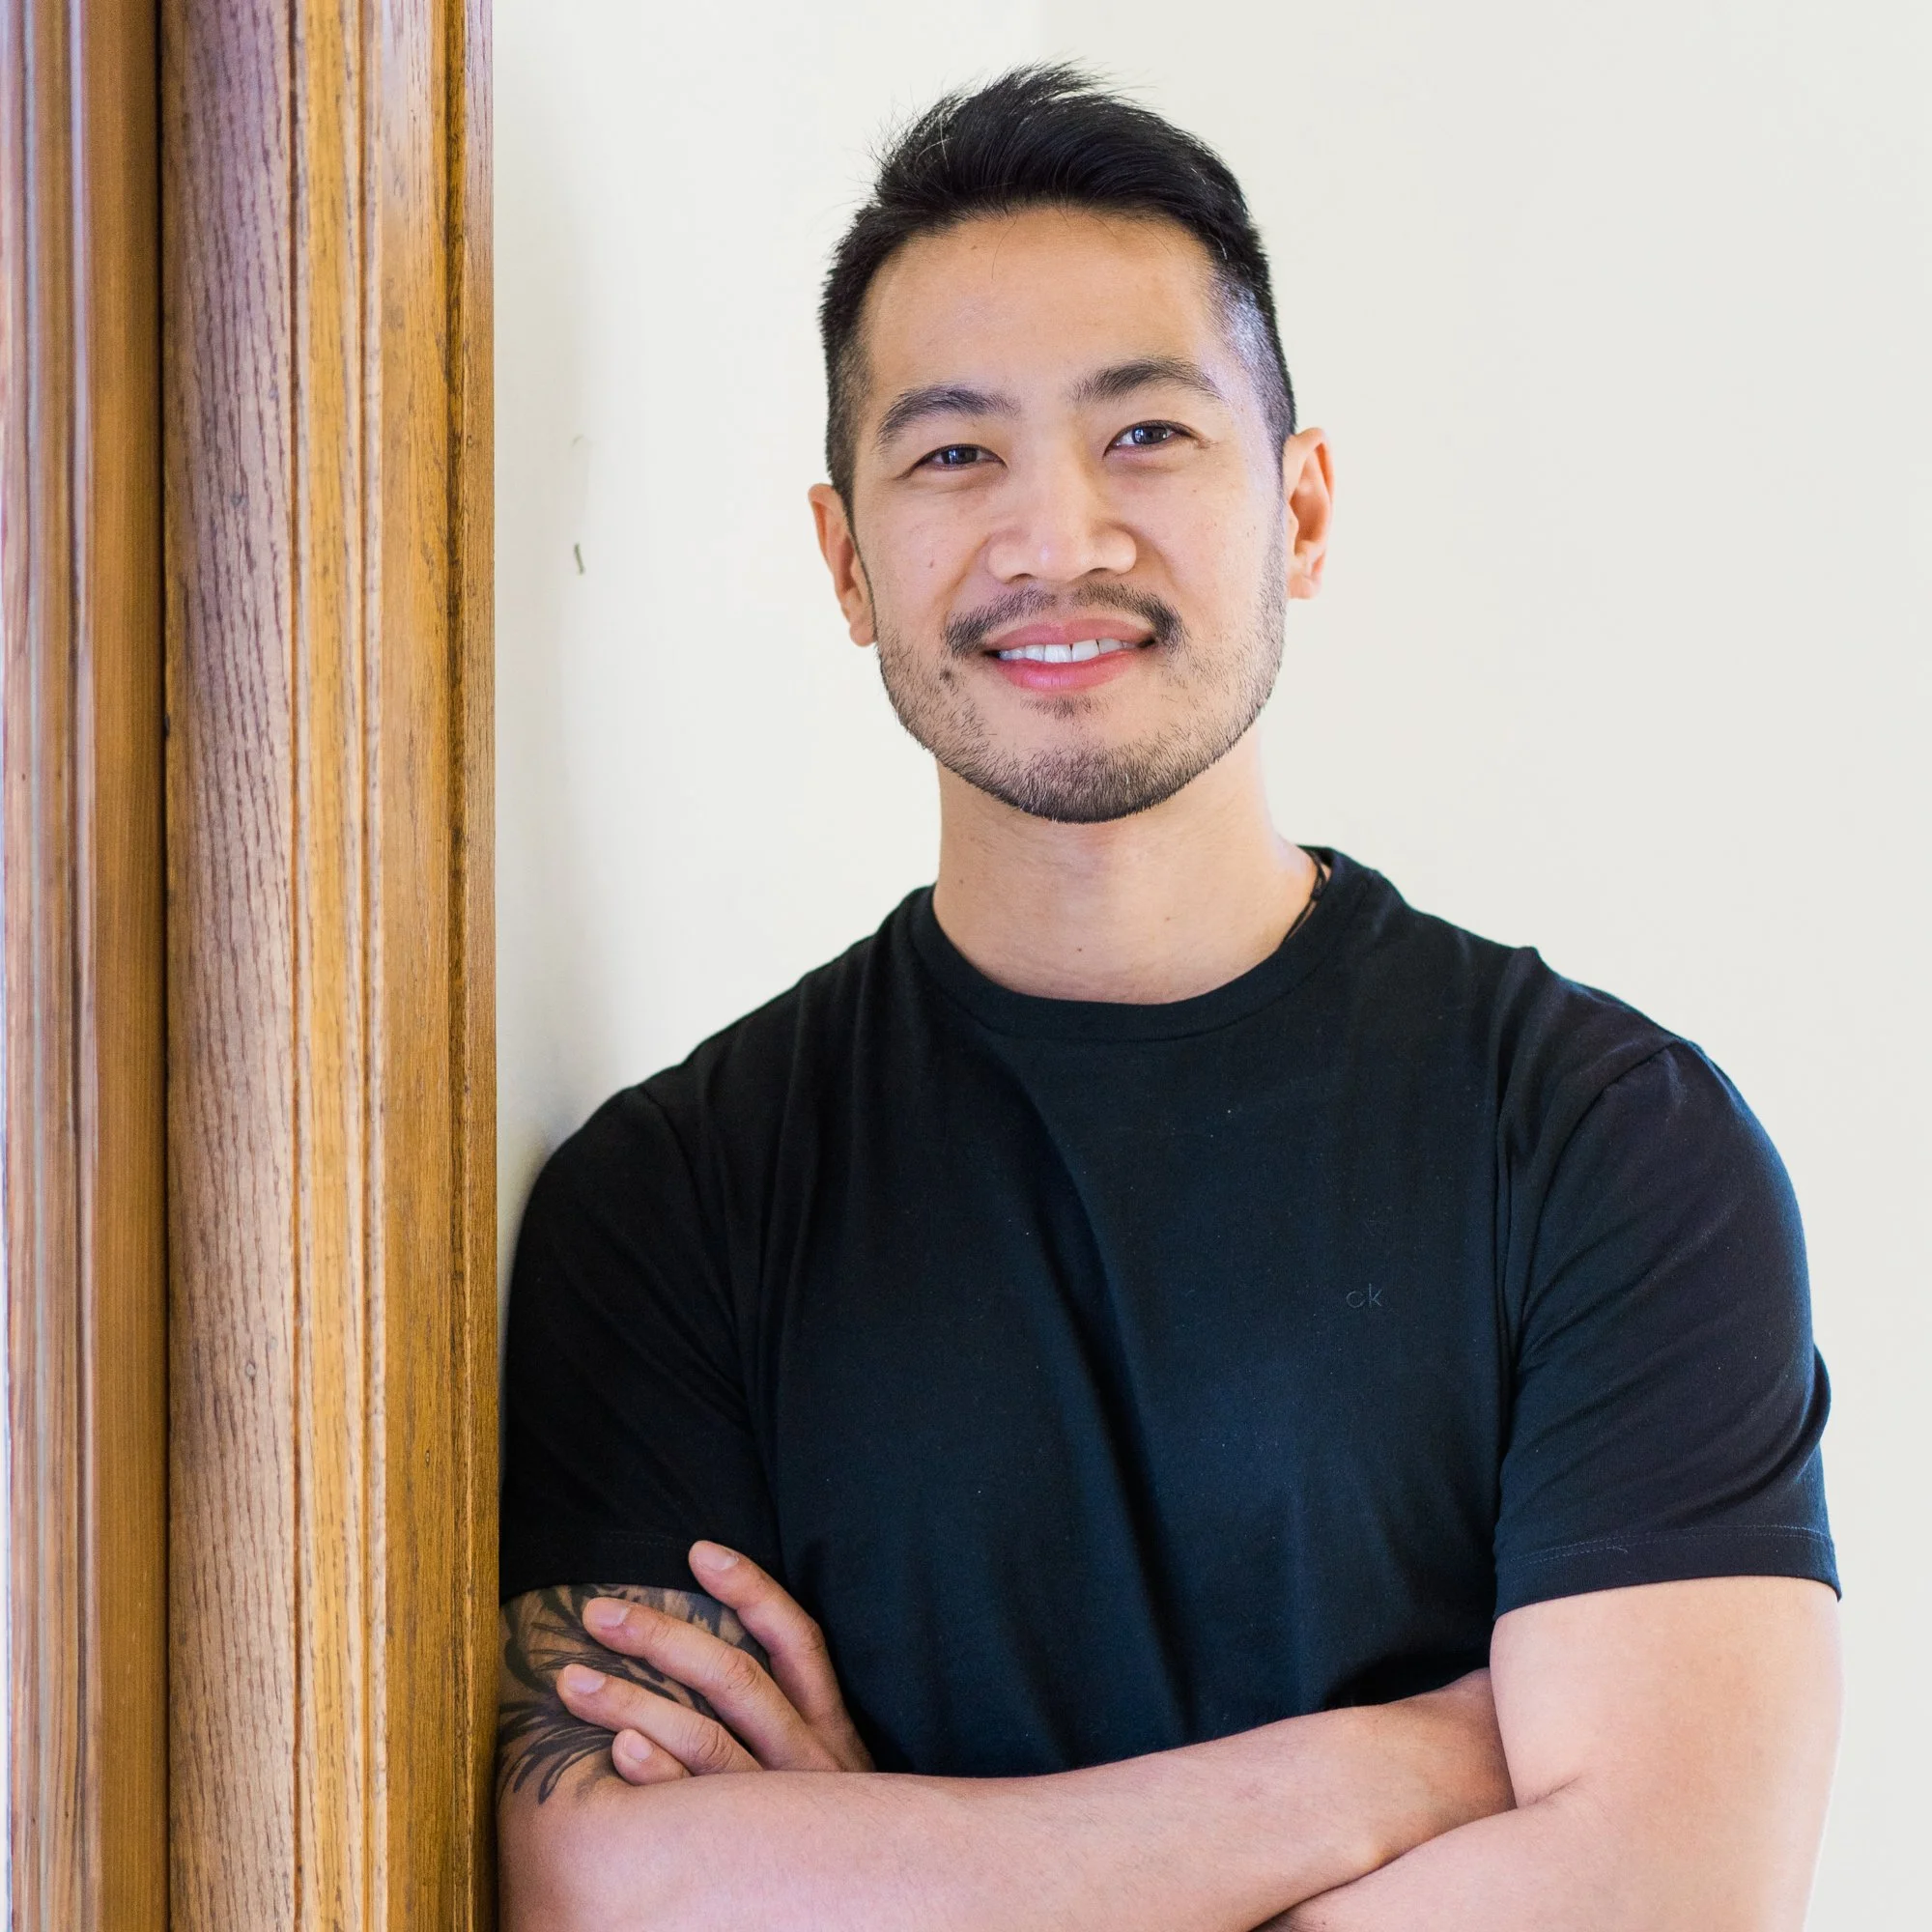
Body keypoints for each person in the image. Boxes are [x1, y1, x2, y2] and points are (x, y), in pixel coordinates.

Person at [495, 66, 1840, 1930]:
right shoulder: (670, 1212)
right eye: (954, 453)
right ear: (846, 562)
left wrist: (901, 1871)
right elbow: (597, 1890)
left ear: (1298, 511)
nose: (1058, 540)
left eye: (1145, 436)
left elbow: (1664, 1895)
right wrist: (1391, 1769)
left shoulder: (1608, 1148)